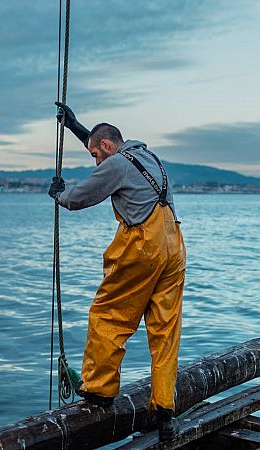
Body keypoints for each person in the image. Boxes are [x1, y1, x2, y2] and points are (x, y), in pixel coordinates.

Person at [49, 102, 186, 441]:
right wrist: (76, 127)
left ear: (108, 148)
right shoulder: (147, 157)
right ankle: (165, 409)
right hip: (174, 245)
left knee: (109, 315)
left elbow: (82, 196)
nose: (96, 162)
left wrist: (60, 194)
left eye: (96, 155)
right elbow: (102, 142)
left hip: (143, 246)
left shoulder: (117, 164)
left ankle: (100, 389)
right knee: (165, 329)